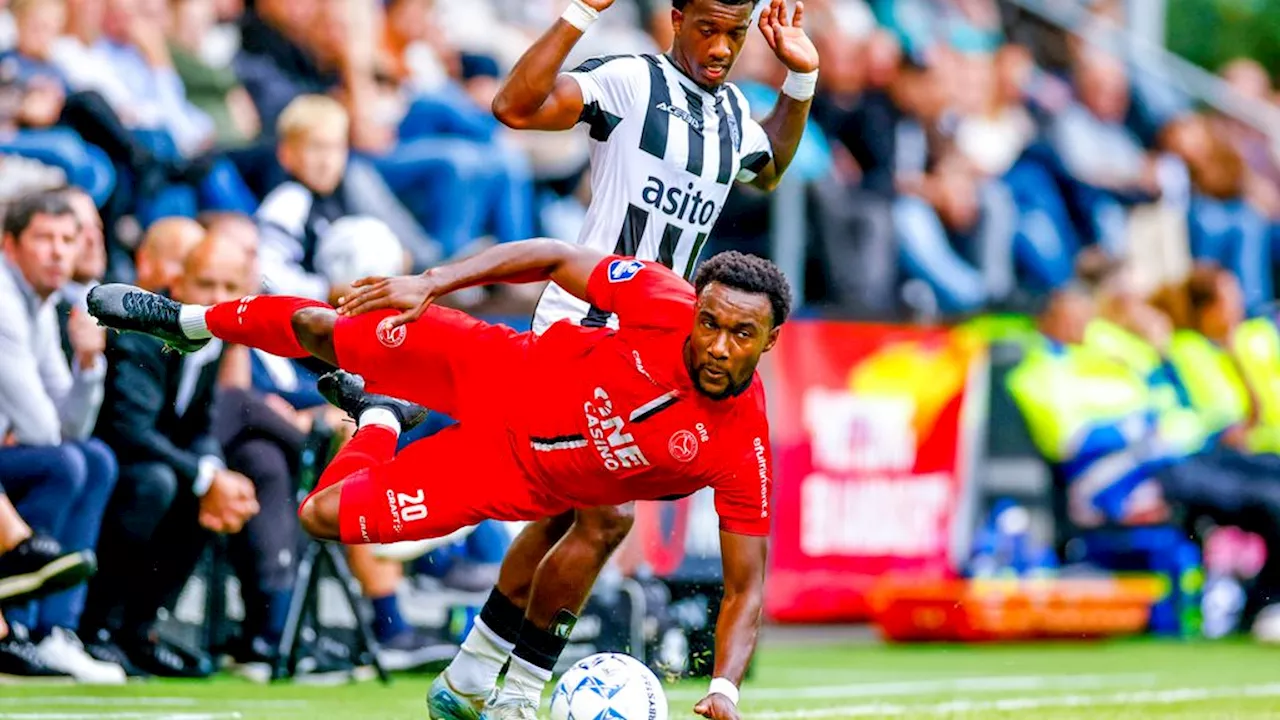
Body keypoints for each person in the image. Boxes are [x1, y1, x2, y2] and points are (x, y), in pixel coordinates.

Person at [86, 236, 787, 720]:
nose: (718, 345)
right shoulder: (662, 301)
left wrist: (723, 684)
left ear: (769, 340)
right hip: (494, 366)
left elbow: (744, 583)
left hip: (500, 475)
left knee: (320, 515)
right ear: (693, 310)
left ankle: (379, 419)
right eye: (710, 323)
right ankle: (189, 319)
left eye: (741, 334)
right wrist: (435, 280)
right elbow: (556, 257)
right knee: (325, 328)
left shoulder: (741, 449)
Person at [445, 0, 815, 715]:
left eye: (735, 35)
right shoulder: (629, 81)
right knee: (606, 520)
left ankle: (469, 677)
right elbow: (514, 106)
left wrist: (800, 82)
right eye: (708, 28)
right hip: (583, 326)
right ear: (674, 18)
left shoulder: (734, 111)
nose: (720, 47)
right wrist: (579, 12)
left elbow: (766, 170)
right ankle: (516, 693)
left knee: (561, 512)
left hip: (656, 348)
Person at [83, 234, 260, 679]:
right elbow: (129, 429)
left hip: (153, 460)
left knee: (203, 495)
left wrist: (215, 475)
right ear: (178, 285)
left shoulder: (216, 337)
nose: (218, 298)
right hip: (110, 461)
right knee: (160, 484)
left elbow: (199, 429)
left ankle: (140, 631)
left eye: (229, 287)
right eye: (206, 284)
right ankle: (97, 628)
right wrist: (205, 477)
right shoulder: (143, 327)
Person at [0, 190, 121, 683]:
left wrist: (89, 363)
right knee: (65, 463)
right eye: (43, 239)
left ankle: (57, 633)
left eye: (67, 240)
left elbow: (71, 428)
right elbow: (42, 430)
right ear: (10, 246)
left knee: (96, 458)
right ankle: (20, 630)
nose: (57, 252)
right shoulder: (5, 300)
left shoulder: (37, 298)